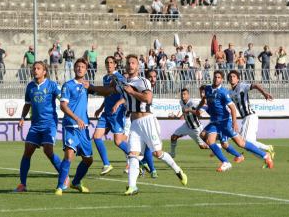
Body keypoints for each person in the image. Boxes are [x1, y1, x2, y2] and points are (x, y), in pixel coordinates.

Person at [88, 54, 187, 195]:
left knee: (157, 153)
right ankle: (132, 186)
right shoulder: (122, 83)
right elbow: (108, 91)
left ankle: (178, 170)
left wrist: (132, 92)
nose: (130, 65)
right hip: (134, 123)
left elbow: (148, 98)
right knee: (132, 154)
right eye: (128, 63)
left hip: (147, 120)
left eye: (133, 63)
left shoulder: (143, 81)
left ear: (138, 66)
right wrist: (91, 87)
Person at [198, 70, 274, 172]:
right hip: (216, 122)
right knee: (204, 136)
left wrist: (234, 122)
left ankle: (265, 154)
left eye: (219, 77)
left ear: (222, 80)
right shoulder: (212, 89)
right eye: (215, 77)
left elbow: (233, 107)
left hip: (237, 119)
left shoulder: (230, 90)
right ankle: (226, 162)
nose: (216, 79)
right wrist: (198, 109)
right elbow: (204, 100)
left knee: (242, 143)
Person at [14, 61, 64, 192]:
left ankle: (64, 177)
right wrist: (22, 118)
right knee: (27, 151)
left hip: (49, 124)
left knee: (48, 151)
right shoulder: (30, 86)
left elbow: (64, 100)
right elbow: (27, 104)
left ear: (44, 71)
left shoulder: (52, 85)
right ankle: (22, 184)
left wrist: (71, 113)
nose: (35, 70)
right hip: (35, 125)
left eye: (38, 68)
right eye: (34, 68)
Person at [55, 58, 95, 196]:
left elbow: (102, 91)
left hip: (83, 128)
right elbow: (63, 105)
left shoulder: (87, 86)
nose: (79, 68)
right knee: (69, 156)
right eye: (78, 66)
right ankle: (60, 187)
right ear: (74, 69)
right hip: (71, 126)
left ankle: (76, 182)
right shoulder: (68, 85)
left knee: (88, 159)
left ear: (86, 70)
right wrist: (76, 118)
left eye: (82, 67)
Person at [227, 70, 275, 165]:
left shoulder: (242, 86)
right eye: (230, 77)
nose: (232, 78)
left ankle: (267, 148)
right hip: (246, 118)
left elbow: (255, 85)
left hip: (250, 116)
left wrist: (264, 93)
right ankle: (266, 158)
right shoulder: (230, 92)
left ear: (238, 79)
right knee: (248, 145)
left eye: (234, 76)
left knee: (244, 142)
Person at [92, 56, 130, 175]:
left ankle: (138, 157)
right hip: (106, 113)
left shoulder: (119, 78)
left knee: (118, 142)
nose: (109, 64)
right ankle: (107, 164)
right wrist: (100, 108)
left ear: (115, 65)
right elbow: (107, 95)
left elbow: (126, 95)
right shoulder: (106, 78)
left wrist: (118, 104)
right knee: (96, 136)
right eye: (107, 62)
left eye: (111, 62)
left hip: (116, 114)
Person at [169, 88, 209, 158]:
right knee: (173, 137)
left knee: (202, 146)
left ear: (188, 95)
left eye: (184, 94)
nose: (183, 96)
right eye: (181, 94)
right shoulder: (181, 102)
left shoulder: (192, 103)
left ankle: (219, 146)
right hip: (187, 125)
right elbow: (184, 111)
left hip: (195, 128)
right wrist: (181, 116)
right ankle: (172, 153)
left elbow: (199, 113)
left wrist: (189, 110)